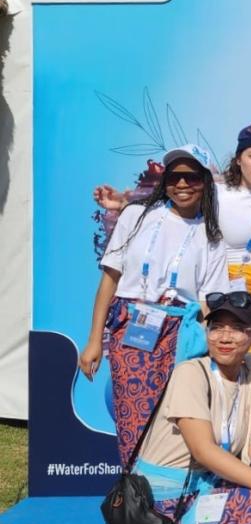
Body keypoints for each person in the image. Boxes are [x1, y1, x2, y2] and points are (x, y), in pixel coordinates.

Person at [94, 125, 251, 423]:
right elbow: (173, 198)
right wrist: (123, 202)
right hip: (227, 297)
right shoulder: (216, 191)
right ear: (239, 158)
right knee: (219, 383)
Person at [80, 145, 230, 466]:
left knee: (175, 423)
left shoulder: (212, 236)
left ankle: (169, 503)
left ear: (205, 181)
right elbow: (110, 279)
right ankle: (136, 500)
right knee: (134, 421)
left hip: (180, 336)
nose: (182, 184)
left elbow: (209, 303)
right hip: (131, 329)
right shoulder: (136, 215)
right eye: (175, 176)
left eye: (192, 177)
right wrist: (94, 340)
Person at [134, 291, 251, 524]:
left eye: (238, 328)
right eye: (217, 328)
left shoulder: (248, 374)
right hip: (166, 498)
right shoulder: (191, 373)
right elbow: (203, 450)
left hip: (209, 488)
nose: (225, 337)